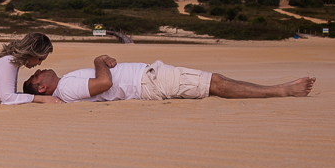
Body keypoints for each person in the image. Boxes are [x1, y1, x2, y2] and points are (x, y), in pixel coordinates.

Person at [23, 56, 315, 103]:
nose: (40, 70)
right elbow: (104, 84)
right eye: (36, 74)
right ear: (42, 86)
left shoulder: (66, 84)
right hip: (149, 82)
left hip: (149, 79)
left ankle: (281, 89)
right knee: (216, 83)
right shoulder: (68, 86)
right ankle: (282, 90)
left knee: (215, 80)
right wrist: (99, 61)